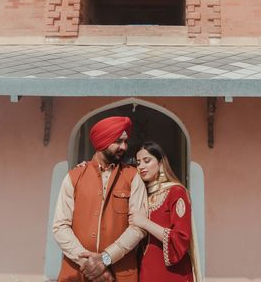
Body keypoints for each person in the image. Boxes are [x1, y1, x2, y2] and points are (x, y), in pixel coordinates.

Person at [53, 116, 148, 282]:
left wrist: (105, 258)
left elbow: (138, 228)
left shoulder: (132, 177)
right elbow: (60, 226)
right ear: (103, 141)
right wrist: (90, 265)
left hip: (120, 274)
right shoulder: (74, 177)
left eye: (125, 142)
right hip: (77, 273)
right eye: (118, 141)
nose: (124, 147)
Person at [131, 142, 201, 282]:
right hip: (146, 271)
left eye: (147, 160)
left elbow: (181, 238)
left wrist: (145, 223)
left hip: (173, 273)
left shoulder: (176, 192)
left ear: (161, 163)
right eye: (138, 163)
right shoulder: (139, 195)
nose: (141, 167)